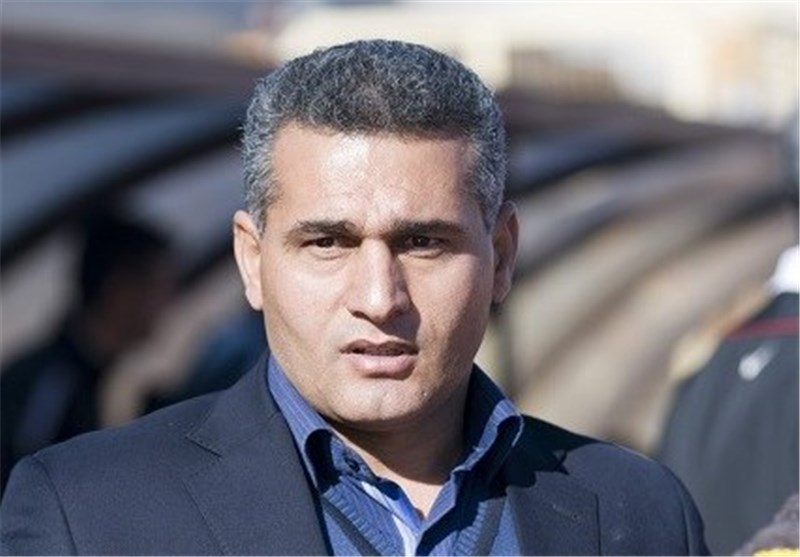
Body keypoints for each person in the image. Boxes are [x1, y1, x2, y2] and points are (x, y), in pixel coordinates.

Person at [0, 40, 708, 556]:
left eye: (423, 242)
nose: (378, 296)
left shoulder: (641, 511)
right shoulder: (87, 514)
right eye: (327, 243)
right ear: (252, 260)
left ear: (502, 255)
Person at [0, 212, 173, 493]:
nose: (166, 303)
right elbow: (22, 486)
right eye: (159, 286)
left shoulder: (103, 381)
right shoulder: (52, 385)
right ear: (120, 290)